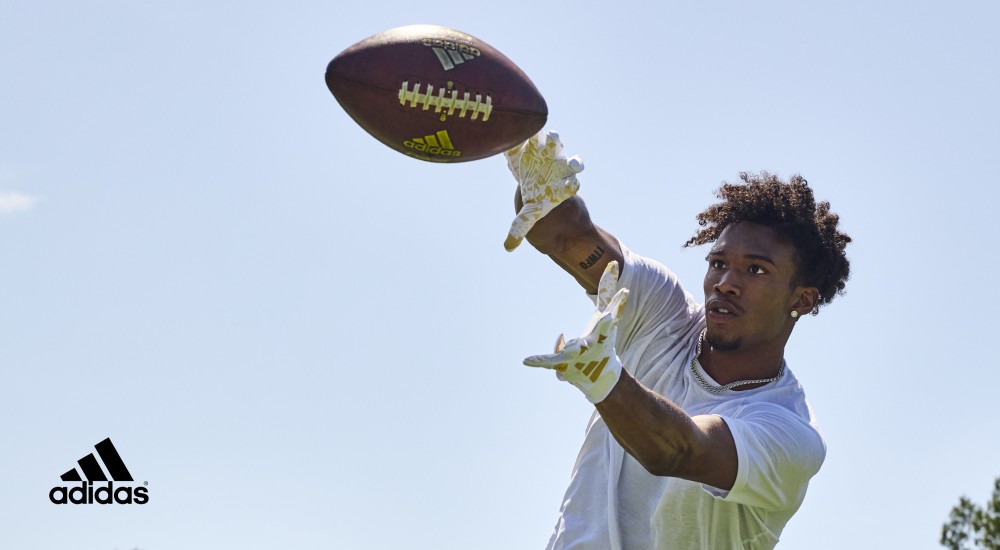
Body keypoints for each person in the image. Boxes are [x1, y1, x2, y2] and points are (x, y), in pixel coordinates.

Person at [503, 131, 852, 549]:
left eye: (755, 270)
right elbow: (567, 237)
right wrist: (544, 194)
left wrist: (605, 380)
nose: (725, 283)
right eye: (718, 263)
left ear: (803, 299)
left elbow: (678, 450)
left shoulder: (791, 436)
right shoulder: (660, 309)